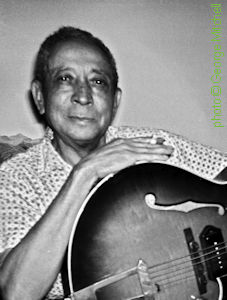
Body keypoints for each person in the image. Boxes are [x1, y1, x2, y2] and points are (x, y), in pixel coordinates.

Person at [0, 26, 226, 300]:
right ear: (39, 97)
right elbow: (16, 293)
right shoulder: (16, 177)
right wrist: (84, 173)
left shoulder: (153, 145)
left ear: (115, 100)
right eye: (64, 78)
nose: (82, 96)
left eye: (97, 82)